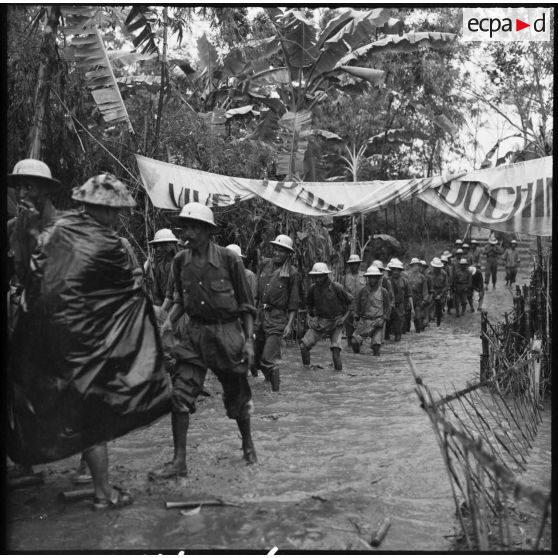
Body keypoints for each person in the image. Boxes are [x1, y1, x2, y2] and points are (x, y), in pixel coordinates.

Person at [9, 173, 171, 509]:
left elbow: (35, 275)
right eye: (110, 211)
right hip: (86, 344)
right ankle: (102, 492)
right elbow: (125, 294)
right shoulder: (109, 244)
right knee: (93, 417)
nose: (114, 218)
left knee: (59, 403)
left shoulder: (59, 230)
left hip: (50, 337)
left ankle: (60, 472)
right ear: (95, 208)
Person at [152, 202, 257, 480]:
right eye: (184, 226)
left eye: (192, 227)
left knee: (237, 397)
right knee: (179, 396)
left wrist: (248, 342)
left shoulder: (229, 260)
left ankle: (248, 446)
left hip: (227, 335)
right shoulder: (179, 261)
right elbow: (179, 301)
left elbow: (246, 305)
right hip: (194, 335)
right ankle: (179, 461)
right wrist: (168, 323)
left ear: (207, 231)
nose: (186, 232)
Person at [253, 234, 300, 392]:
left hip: (277, 318)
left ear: (288, 254)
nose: (277, 253)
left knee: (268, 359)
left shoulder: (292, 273)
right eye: (276, 249)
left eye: (282, 251)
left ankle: (276, 394)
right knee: (255, 358)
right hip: (260, 315)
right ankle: (268, 382)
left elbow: (293, 302)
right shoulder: (264, 264)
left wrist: (289, 324)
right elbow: (256, 294)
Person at [299, 263, 352, 371]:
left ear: (326, 276)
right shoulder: (312, 289)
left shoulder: (336, 287)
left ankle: (338, 376)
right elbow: (308, 304)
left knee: (335, 351)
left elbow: (351, 303)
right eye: (315, 276)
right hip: (320, 321)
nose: (317, 279)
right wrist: (310, 317)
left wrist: (344, 318)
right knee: (303, 347)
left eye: (320, 276)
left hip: (336, 322)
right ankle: (306, 370)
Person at [351, 265, 390, 355]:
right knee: (354, 341)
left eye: (374, 277)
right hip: (364, 321)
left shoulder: (383, 291)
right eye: (370, 277)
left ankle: (376, 363)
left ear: (378, 278)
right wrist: (355, 317)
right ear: (367, 278)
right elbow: (357, 306)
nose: (372, 279)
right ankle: (357, 358)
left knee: (376, 346)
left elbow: (388, 308)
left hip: (377, 321)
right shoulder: (362, 291)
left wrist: (383, 319)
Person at [144, 228, 179, 321]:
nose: (157, 249)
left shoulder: (178, 264)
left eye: (159, 245)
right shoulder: (159, 266)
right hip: (165, 309)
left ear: (168, 246)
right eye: (155, 246)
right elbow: (157, 292)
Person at [341, 254, 366, 348]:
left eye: (355, 264)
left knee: (360, 332)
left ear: (358, 264)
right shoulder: (345, 278)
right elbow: (342, 294)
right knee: (349, 333)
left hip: (361, 308)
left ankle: (359, 353)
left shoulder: (364, 276)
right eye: (351, 264)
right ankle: (350, 352)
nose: (353, 266)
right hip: (349, 308)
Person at [387, 259, 413, 342]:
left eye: (398, 270)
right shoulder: (387, 281)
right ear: (391, 270)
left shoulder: (404, 281)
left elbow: (409, 295)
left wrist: (412, 308)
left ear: (400, 271)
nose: (396, 272)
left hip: (400, 307)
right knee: (387, 327)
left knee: (399, 329)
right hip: (389, 307)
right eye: (394, 269)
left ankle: (397, 343)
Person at [372, 260, 394, 343]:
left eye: (380, 270)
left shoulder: (386, 281)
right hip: (371, 309)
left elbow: (391, 296)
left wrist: (389, 308)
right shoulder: (368, 281)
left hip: (382, 309)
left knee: (380, 333)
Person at [407, 258, 429, 333]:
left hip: (418, 298)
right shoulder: (407, 276)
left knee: (417, 316)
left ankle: (418, 330)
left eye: (417, 265)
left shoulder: (422, 277)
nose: (416, 267)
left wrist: (424, 299)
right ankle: (406, 331)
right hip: (408, 298)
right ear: (411, 266)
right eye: (414, 265)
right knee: (406, 317)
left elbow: (425, 289)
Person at [429, 257, 449, 326]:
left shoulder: (444, 274)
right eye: (435, 267)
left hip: (441, 292)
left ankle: (438, 323)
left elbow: (445, 286)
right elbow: (428, 284)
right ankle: (431, 320)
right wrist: (432, 293)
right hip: (432, 291)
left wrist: (440, 295)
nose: (436, 269)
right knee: (431, 308)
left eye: (438, 267)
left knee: (439, 309)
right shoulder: (430, 273)